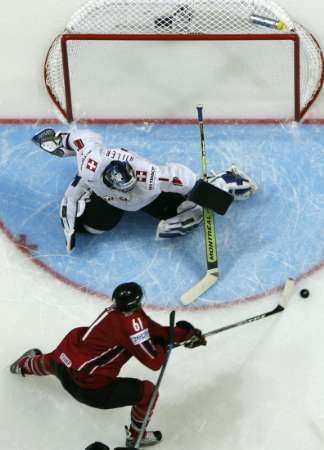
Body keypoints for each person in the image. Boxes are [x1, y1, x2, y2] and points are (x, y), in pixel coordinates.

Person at [10, 282, 206, 448]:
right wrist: (166, 343)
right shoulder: (132, 324)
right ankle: (136, 436)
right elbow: (155, 361)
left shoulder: (115, 311)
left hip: (66, 368)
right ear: (136, 302)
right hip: (91, 390)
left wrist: (181, 334)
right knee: (148, 393)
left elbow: (152, 330)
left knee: (54, 359)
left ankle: (23, 365)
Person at [31, 128, 257, 252]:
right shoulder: (90, 165)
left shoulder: (152, 176)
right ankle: (92, 198)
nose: (129, 189)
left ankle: (226, 178)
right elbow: (82, 139)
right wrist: (58, 140)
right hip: (106, 198)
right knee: (90, 227)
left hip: (148, 199)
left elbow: (189, 183)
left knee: (184, 212)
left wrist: (215, 198)